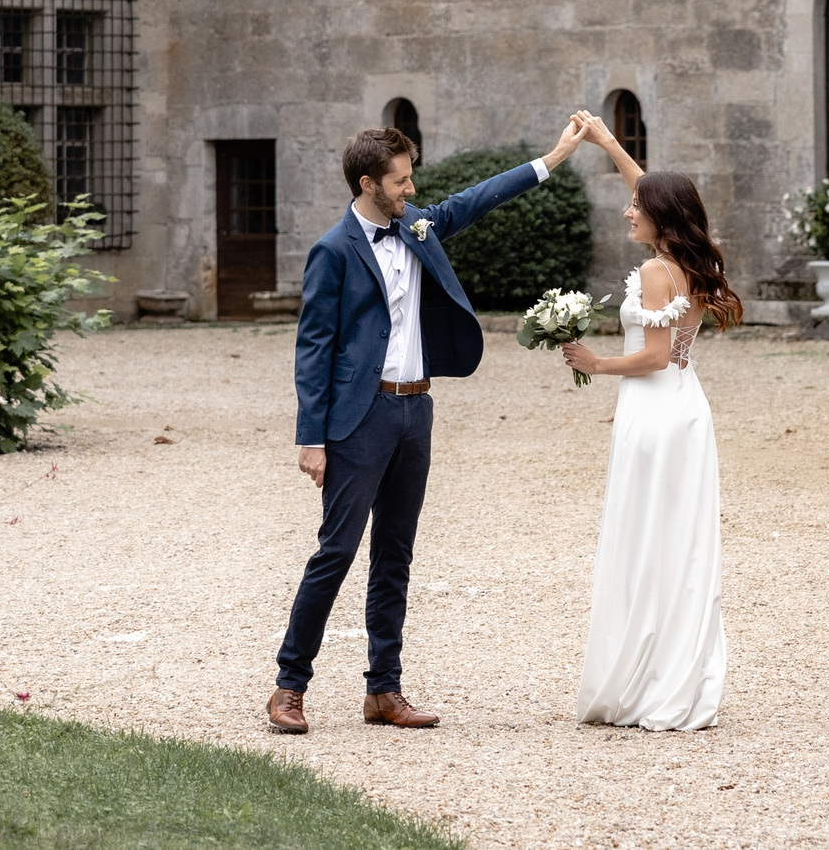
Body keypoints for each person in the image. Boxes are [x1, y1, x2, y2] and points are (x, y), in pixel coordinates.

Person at [268, 114, 593, 734]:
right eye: (400, 181)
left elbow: (476, 200)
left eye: (411, 178)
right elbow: (313, 348)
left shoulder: (416, 226)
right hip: (356, 419)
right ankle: (288, 687)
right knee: (335, 553)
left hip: (415, 411)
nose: (411, 189)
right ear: (368, 184)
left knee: (395, 554)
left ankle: (383, 691)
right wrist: (310, 439)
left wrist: (552, 159)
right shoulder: (332, 251)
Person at [560, 111, 742, 731]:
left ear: (660, 217)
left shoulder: (655, 271)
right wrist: (608, 142)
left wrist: (595, 361)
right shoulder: (681, 257)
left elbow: (657, 355)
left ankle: (651, 681)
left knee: (648, 542)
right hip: (681, 407)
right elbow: (650, 189)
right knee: (673, 544)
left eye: (636, 207)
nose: (626, 210)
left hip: (658, 410)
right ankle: (672, 671)